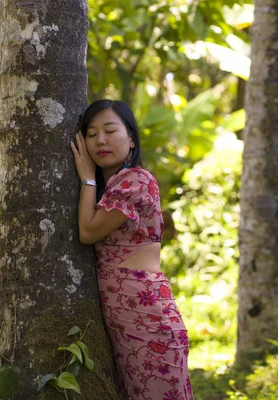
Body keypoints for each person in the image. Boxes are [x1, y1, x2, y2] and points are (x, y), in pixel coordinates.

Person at [70, 99, 194, 400]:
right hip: (129, 319)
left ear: (132, 139)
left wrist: (86, 176)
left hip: (147, 316)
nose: (100, 140)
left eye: (111, 130)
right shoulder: (112, 185)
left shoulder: (136, 180)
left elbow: (87, 232)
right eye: (91, 133)